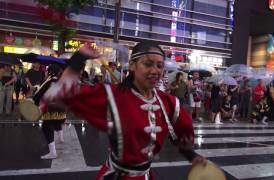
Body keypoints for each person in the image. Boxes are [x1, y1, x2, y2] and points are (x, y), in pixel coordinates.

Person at [43, 42, 207, 180]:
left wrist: (192, 157)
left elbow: (179, 135)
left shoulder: (169, 103)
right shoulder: (112, 96)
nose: (155, 71)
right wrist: (80, 57)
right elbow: (61, 93)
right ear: (133, 65)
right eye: (148, 64)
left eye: (159, 65)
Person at [39, 64, 66, 159]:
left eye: (47, 70)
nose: (46, 72)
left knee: (46, 128)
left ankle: (53, 152)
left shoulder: (48, 82)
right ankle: (61, 138)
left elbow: (38, 95)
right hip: (62, 109)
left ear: (50, 72)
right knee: (55, 123)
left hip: (50, 109)